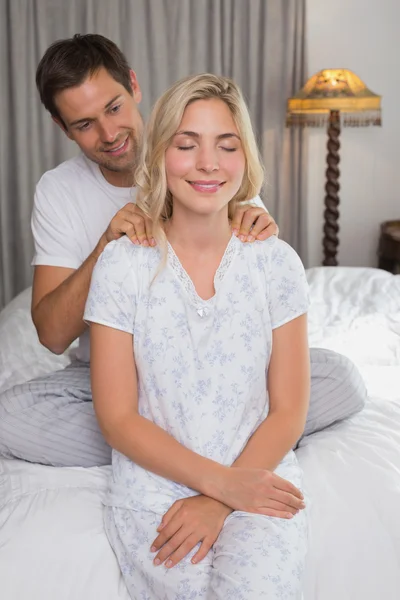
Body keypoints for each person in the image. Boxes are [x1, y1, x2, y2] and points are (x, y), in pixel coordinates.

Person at [0, 34, 366, 468]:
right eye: (84, 124)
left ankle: (167, 448)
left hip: (224, 368)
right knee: (8, 417)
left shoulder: (204, 162)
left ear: (133, 85)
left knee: (340, 379)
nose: (109, 133)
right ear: (63, 128)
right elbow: (52, 335)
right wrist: (105, 247)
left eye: (114, 107)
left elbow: (258, 282)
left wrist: (255, 228)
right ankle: (202, 447)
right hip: (117, 379)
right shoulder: (59, 191)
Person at [84, 72, 309, 599]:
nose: (208, 162)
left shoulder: (275, 262)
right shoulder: (123, 266)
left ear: (245, 157)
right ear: (160, 154)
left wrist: (224, 494)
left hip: (258, 476)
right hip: (153, 488)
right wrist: (215, 484)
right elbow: (116, 417)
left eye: (226, 146)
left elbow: (289, 410)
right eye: (187, 145)